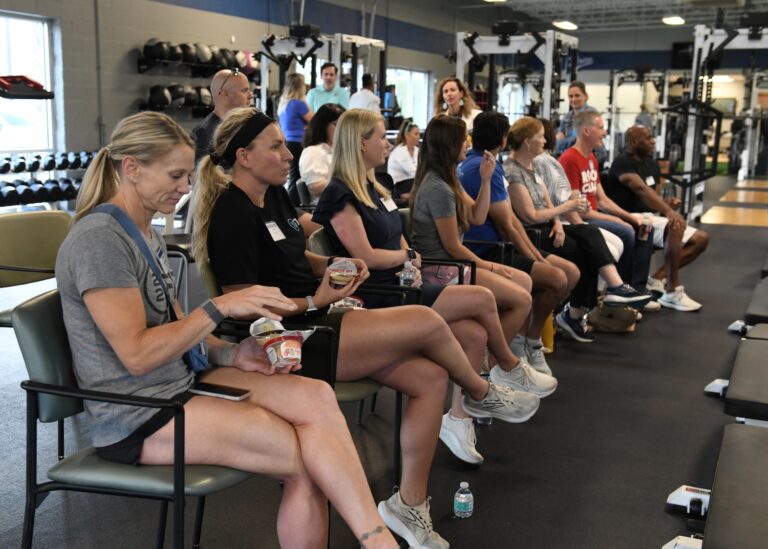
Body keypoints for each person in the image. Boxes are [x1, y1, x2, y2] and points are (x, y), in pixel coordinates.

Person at [193, 107, 542, 548]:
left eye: (284, 143)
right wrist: (312, 299)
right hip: (284, 338)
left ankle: (409, 507)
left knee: (431, 376)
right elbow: (242, 305)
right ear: (243, 155)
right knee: (426, 320)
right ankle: (480, 390)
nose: (288, 153)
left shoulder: (275, 197)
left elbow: (297, 259)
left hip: (319, 313)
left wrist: (333, 265)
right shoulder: (231, 213)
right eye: (276, 146)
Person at [56, 111, 399, 549]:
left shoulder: (146, 233)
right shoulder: (99, 240)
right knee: (307, 461)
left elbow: (181, 329)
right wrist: (218, 308)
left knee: (316, 396)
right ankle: (378, 540)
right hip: (136, 414)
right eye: (176, 176)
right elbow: (137, 355)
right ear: (131, 167)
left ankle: (377, 538)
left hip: (179, 384)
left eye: (186, 176)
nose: (185, 188)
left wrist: (229, 354)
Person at [312, 109, 556, 465]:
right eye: (382, 137)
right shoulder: (340, 193)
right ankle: (505, 367)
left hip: (401, 281)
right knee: (483, 297)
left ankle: (459, 418)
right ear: (360, 143)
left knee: (473, 333)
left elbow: (397, 238)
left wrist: (405, 257)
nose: (388, 142)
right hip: (377, 295)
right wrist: (405, 256)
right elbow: (363, 255)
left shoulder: (372, 186)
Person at [505, 117, 650, 343]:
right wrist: (566, 208)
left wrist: (557, 223)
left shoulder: (531, 165)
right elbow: (529, 216)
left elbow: (547, 202)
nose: (545, 140)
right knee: (588, 250)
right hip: (532, 233)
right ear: (527, 142)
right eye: (540, 136)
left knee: (590, 234)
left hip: (549, 226)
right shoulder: (513, 172)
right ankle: (576, 312)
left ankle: (615, 288)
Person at [460, 111, 578, 373]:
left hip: (501, 245)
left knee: (570, 273)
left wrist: (537, 256)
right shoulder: (480, 166)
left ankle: (529, 340)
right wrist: (537, 259)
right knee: (557, 278)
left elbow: (512, 220)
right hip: (490, 251)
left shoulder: (488, 163)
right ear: (502, 139)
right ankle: (518, 348)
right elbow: (508, 225)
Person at [605, 126, 709, 311]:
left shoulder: (652, 165)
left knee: (700, 239)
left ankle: (657, 279)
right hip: (627, 218)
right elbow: (640, 189)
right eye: (649, 138)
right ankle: (672, 290)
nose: (653, 141)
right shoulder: (621, 163)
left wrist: (667, 204)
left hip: (650, 218)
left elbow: (653, 197)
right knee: (674, 223)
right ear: (635, 142)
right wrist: (669, 211)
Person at [559, 110, 656, 293]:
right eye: (601, 128)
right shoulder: (569, 159)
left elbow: (603, 200)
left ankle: (638, 287)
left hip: (593, 214)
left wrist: (629, 217)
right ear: (587, 131)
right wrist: (619, 220)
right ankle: (619, 292)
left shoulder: (591, 158)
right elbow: (578, 211)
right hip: (581, 218)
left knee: (642, 226)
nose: (605, 132)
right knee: (627, 231)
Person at [534, 119, 628, 267]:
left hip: (568, 216)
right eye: (601, 128)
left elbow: (595, 200)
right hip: (562, 220)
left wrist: (624, 217)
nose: (605, 132)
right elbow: (563, 204)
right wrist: (577, 224)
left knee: (619, 240)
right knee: (620, 238)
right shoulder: (561, 160)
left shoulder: (588, 159)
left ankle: (616, 286)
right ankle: (616, 286)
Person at [191, 68, 253, 163]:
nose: (250, 95)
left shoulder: (241, 128)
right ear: (225, 95)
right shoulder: (204, 134)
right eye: (244, 91)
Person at [299, 103, 345, 203]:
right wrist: (346, 179)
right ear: (323, 125)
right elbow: (315, 188)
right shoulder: (313, 152)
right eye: (337, 125)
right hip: (328, 209)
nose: (342, 130)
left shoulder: (335, 150)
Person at [277, 73, 313, 187]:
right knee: (297, 178)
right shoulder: (298, 104)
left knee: (293, 177)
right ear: (300, 86)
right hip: (298, 143)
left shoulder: (284, 104)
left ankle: (293, 202)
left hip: (288, 143)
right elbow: (316, 121)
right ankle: (294, 203)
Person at [387, 118, 420, 199]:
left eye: (419, 134)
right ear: (407, 135)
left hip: (411, 184)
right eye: (416, 134)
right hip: (397, 186)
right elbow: (413, 172)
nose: (418, 137)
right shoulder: (400, 151)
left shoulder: (417, 150)